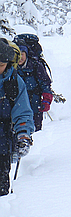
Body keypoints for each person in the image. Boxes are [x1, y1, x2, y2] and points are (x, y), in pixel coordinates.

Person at [0, 39, 34, 196]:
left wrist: (23, 135)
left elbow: (22, 112)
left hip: (2, 145)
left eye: (1, 65)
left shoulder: (13, 83)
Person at [16, 42, 53, 132]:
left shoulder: (36, 66)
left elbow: (45, 84)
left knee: (36, 131)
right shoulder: (12, 68)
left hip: (34, 104)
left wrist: (46, 101)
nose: (20, 57)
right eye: (18, 54)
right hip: (18, 105)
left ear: (26, 54)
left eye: (22, 54)